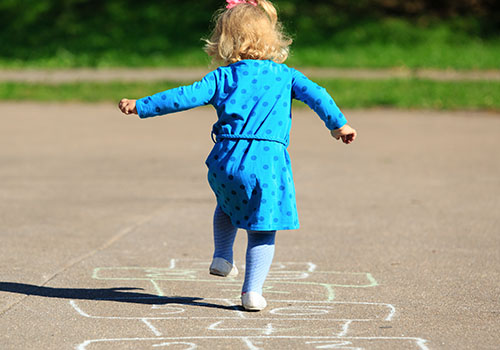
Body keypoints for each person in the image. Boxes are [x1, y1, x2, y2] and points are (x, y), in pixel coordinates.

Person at [118, 0, 357, 311]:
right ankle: (251, 292)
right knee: (263, 227)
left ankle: (222, 255)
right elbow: (318, 95)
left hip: (225, 160)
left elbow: (184, 96)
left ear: (224, 41)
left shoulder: (223, 77)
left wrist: (142, 105)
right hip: (266, 162)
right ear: (272, 37)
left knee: (228, 205)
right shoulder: (286, 76)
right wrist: (338, 125)